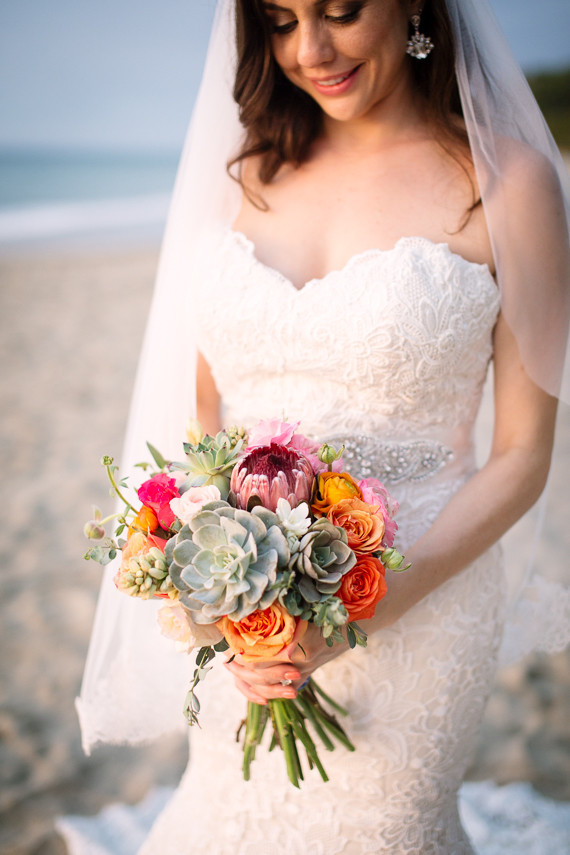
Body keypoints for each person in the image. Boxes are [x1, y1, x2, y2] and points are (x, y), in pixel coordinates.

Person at [75, 1, 570, 853]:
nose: (311, 49)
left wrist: (349, 620)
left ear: (415, 4)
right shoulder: (241, 176)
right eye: (278, 19)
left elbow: (522, 457)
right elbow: (204, 420)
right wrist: (220, 598)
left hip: (425, 595)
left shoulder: (508, 182)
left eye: (341, 10)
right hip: (250, 620)